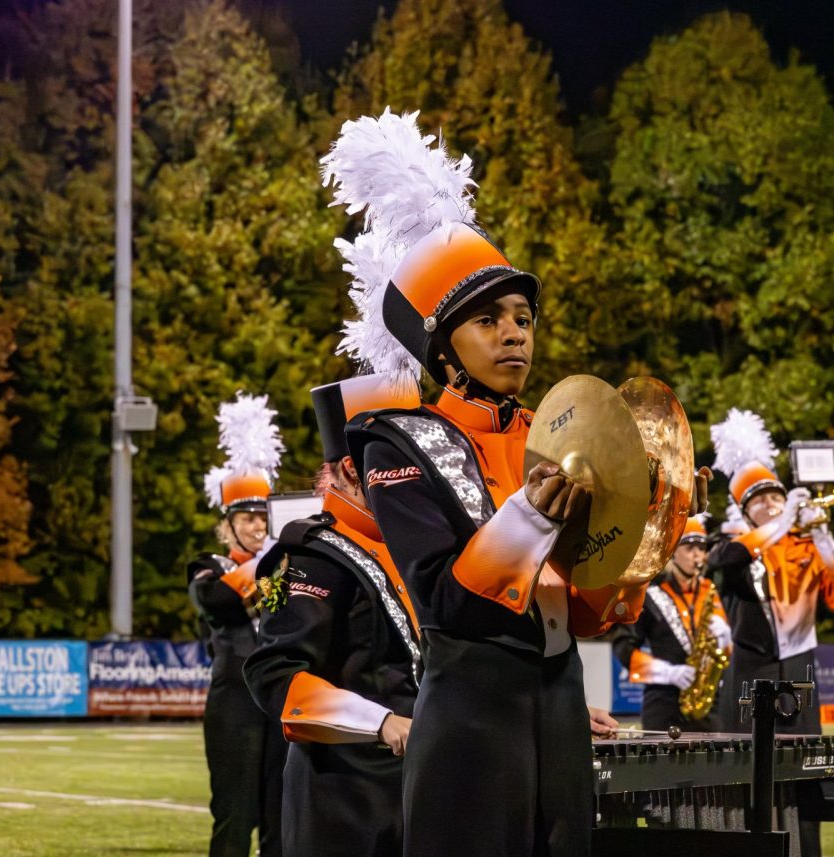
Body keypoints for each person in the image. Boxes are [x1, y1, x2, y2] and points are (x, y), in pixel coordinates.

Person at [325, 109, 711, 857]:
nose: (515, 333)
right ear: (443, 349)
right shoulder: (395, 441)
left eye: (524, 317)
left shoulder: (557, 430)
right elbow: (445, 598)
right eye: (488, 320)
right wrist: (528, 518)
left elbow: (590, 612)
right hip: (470, 710)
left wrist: (640, 542)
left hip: (560, 699)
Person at [244, 372, 422, 857]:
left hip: (424, 790)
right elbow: (274, 672)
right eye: (400, 464)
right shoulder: (302, 555)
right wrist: (381, 721)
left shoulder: (415, 549)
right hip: (346, 802)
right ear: (350, 467)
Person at [706, 408, 834, 735]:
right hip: (751, 666)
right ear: (746, 514)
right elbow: (723, 560)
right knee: (745, 758)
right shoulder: (732, 541)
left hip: (799, 664)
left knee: (802, 756)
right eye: (759, 501)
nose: (771, 505)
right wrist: (782, 523)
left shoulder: (804, 544)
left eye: (776, 497)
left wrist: (822, 536)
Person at [190, 393, 286, 857]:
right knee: (235, 814)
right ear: (227, 524)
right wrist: (272, 560)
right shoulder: (208, 564)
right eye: (247, 518)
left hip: (281, 701)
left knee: (280, 816)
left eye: (263, 517)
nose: (256, 526)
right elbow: (218, 600)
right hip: (235, 705)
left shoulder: (285, 566)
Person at [612, 517, 732, 733]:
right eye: (690, 547)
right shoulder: (650, 595)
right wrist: (666, 672)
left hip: (708, 706)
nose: (698, 555)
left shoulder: (711, 592)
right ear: (673, 551)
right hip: (663, 703)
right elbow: (623, 647)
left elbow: (725, 654)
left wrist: (726, 639)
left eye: (702, 548)